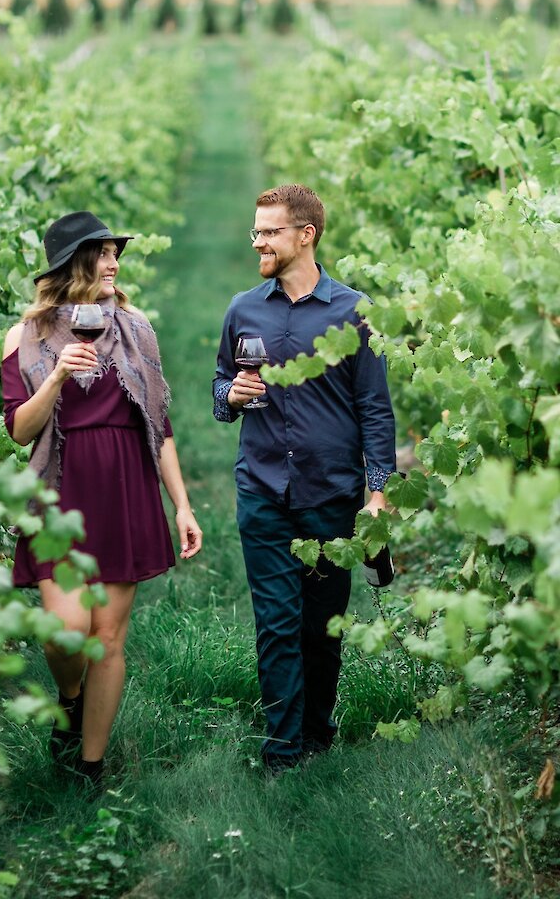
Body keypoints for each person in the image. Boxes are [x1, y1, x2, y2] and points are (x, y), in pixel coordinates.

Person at [2, 210, 202, 788]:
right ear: (72, 265)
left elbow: (158, 426)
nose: (115, 262)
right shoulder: (26, 337)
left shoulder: (136, 328)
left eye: (117, 253)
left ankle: (90, 767)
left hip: (123, 486)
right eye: (103, 253)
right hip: (60, 489)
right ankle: (70, 694)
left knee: (107, 638)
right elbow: (19, 430)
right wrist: (57, 377)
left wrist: (182, 505)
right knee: (67, 632)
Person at [212, 184, 396, 776]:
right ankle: (282, 751)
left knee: (321, 626)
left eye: (268, 232)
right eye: (256, 231)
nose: (257, 241)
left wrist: (378, 493)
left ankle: (318, 731)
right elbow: (220, 386)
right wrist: (229, 395)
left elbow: (374, 409)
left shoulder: (352, 312)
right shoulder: (244, 309)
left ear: (305, 235)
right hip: (263, 490)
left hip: (331, 495)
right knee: (276, 622)